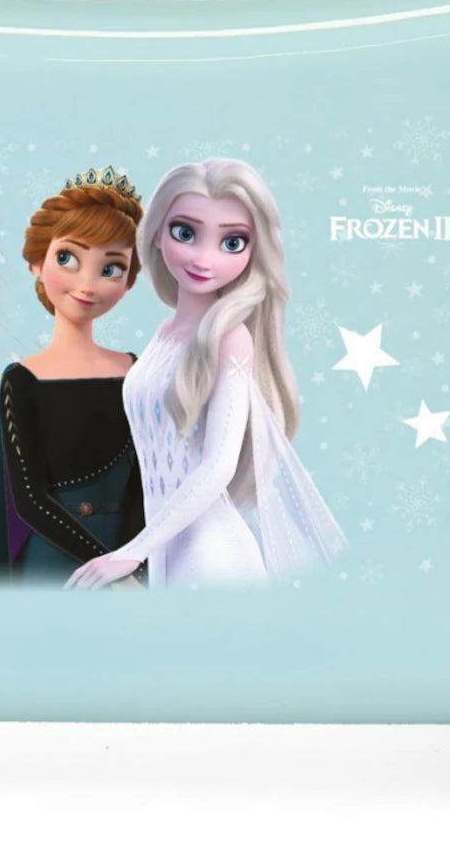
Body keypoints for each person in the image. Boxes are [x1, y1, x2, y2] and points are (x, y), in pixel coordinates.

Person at [66, 158, 347, 591]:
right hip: (165, 548)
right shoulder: (164, 334)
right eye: (185, 233)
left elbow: (217, 466)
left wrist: (131, 551)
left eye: (232, 242)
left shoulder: (229, 338)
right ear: (156, 233)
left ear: (253, 253)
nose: (204, 258)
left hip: (209, 555)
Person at [0, 166, 148, 587]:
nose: (87, 285)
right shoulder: (22, 380)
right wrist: (109, 566)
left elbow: (148, 481)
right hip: (53, 559)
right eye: (67, 258)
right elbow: (28, 500)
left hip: (129, 554)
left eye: (111, 268)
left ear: (128, 281)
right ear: (37, 262)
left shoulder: (137, 370)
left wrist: (135, 564)